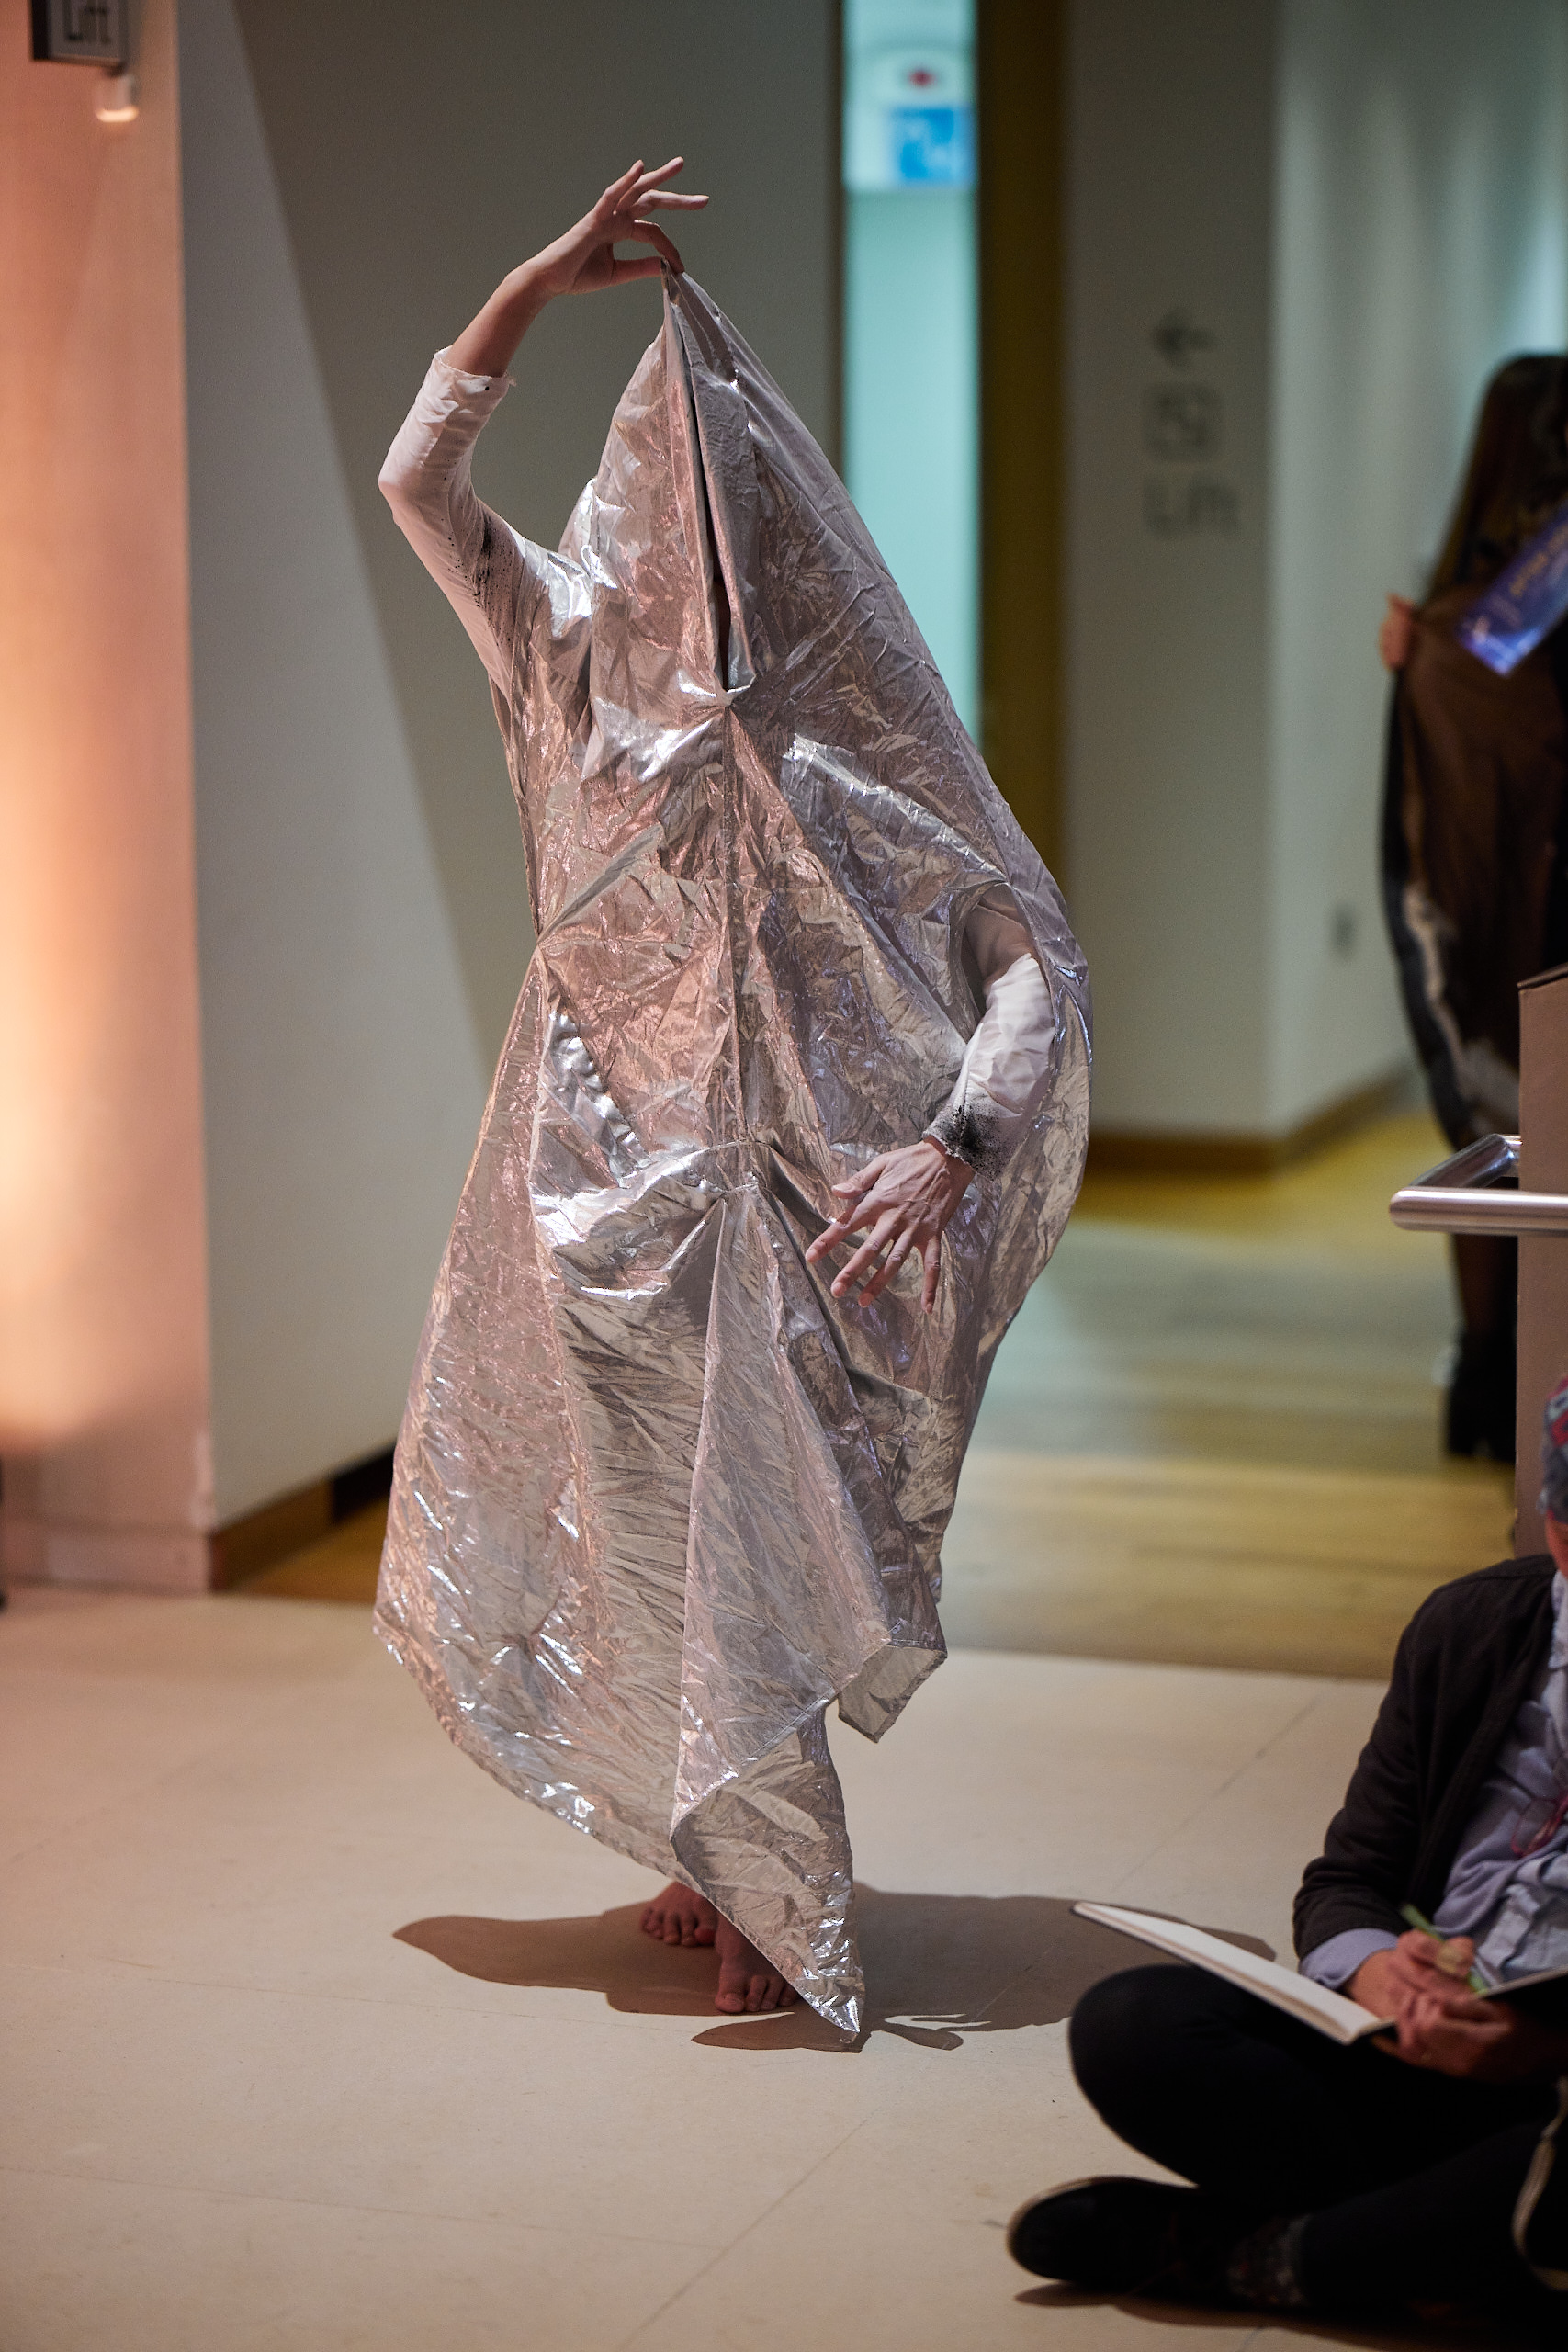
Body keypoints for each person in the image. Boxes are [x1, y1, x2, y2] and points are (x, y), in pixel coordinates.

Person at [371, 165, 1090, 2027]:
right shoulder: (561, 656)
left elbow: (1028, 967)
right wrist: (528, 291)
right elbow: (419, 483)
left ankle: (786, 1888)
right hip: (594, 1192)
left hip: (789, 1211)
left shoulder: (851, 739)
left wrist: (953, 1146)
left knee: (759, 1535)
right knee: (640, 1533)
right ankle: (713, 1843)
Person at [1009, 1381, 1568, 2335]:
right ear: (1553, 1521)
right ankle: (1447, 2249)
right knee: (1134, 2024)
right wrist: (1383, 1978)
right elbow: (1348, 1883)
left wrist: (1543, 2045)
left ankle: (1257, 2258)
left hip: (1553, 2091)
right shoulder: (1472, 1628)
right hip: (1423, 2061)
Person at [1380, 356, 1568, 1461]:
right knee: (1514, 1160)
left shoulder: (1455, 638)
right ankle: (1502, 1387)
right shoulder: (1470, 639)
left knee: (1501, 1154)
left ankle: (1490, 1383)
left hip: (1499, 972)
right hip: (1522, 960)